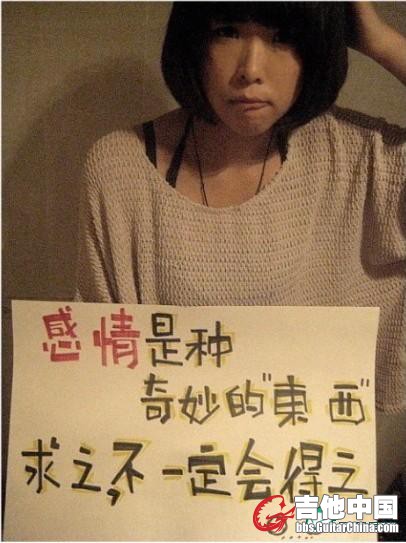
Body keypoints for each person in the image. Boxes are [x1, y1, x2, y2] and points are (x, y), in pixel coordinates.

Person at [75, 2, 406, 498]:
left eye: (282, 37)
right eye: (227, 31)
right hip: (172, 491)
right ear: (194, 41)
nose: (251, 69)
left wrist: (381, 40)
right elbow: (96, 366)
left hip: (322, 494)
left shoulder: (359, 157)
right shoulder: (119, 168)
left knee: (379, 521)